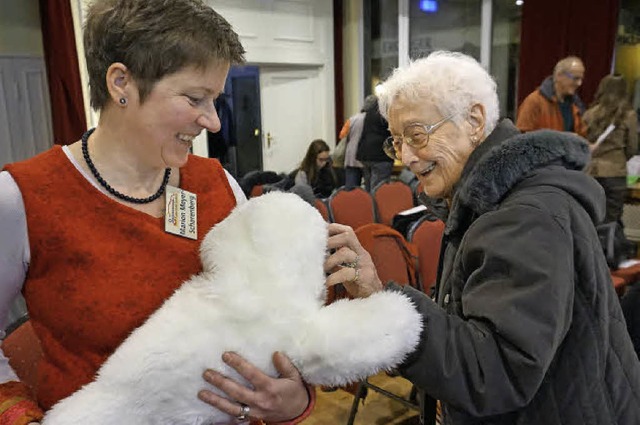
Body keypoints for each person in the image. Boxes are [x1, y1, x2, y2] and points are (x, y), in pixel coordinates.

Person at [0, 1, 314, 424]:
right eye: (195, 98)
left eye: (215, 99)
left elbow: (267, 314)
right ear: (120, 83)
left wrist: (293, 396)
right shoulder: (23, 197)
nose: (214, 122)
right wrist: (18, 414)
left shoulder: (219, 184)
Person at [324, 51, 640, 424]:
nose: (406, 156)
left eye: (416, 134)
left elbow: (495, 372)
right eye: (396, 141)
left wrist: (384, 305)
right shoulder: (487, 200)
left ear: (474, 121)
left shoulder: (523, 216)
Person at [584, 74, 638, 225]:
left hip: (591, 172)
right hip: (615, 172)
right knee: (611, 221)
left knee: (590, 220)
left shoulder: (590, 114)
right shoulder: (629, 116)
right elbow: (632, 147)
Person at [517, 56, 587, 136]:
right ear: (559, 75)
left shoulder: (576, 105)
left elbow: (581, 135)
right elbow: (522, 138)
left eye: (581, 79)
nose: (579, 83)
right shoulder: (534, 101)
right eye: (575, 78)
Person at [355, 94, 394, 191]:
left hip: (365, 153)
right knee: (379, 187)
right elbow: (392, 131)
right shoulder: (386, 112)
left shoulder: (370, 112)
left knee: (368, 184)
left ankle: (369, 205)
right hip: (380, 154)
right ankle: (375, 205)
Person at [340, 95, 378, 189]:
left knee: (351, 190)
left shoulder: (353, 119)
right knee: (370, 189)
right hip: (367, 158)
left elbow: (342, 135)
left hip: (351, 157)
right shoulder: (375, 120)